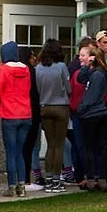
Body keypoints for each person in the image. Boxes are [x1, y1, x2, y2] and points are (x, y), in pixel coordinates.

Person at [0, 42, 35, 197]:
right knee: (20, 152)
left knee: (11, 151)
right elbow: (28, 89)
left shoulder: (4, 70)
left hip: (9, 114)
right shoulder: (26, 70)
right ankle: (22, 186)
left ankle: (11, 186)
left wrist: (1, 106)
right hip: (25, 113)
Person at [74, 41, 107, 190]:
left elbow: (91, 97)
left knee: (93, 148)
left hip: (93, 114)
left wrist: (81, 108)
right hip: (97, 113)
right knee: (97, 147)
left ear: (94, 58)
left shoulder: (98, 75)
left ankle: (94, 177)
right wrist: (86, 66)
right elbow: (80, 79)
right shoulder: (94, 73)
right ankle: (97, 177)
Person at [32, 41, 74, 188]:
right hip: (61, 106)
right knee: (59, 145)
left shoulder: (38, 68)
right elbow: (68, 88)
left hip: (44, 106)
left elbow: (37, 89)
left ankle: (48, 178)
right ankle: (57, 179)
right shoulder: (61, 67)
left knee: (50, 145)